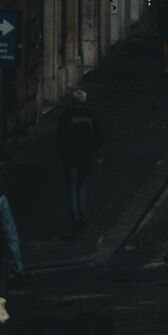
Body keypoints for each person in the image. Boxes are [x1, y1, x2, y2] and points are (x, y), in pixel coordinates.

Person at [55, 90, 103, 234]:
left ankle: (74, 215)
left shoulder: (66, 116)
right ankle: (81, 212)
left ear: (73, 101)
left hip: (70, 156)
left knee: (72, 185)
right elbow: (98, 136)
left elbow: (60, 138)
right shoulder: (90, 116)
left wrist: (62, 153)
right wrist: (93, 151)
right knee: (82, 183)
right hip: (85, 156)